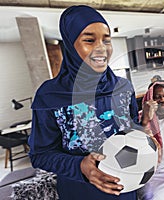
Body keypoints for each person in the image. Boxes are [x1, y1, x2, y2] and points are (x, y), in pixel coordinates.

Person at [28, 5, 140, 200]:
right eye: (89, 40)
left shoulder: (123, 87)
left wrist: (146, 139)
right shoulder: (49, 95)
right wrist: (79, 166)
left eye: (106, 40)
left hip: (126, 187)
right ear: (70, 46)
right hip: (80, 192)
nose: (101, 49)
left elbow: (131, 128)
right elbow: (40, 155)